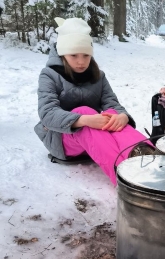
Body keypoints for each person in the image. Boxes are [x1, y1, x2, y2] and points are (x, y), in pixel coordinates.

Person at [34, 17, 154, 186]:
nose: (81, 61)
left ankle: (150, 160)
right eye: (74, 55)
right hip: (61, 139)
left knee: (112, 114)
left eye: (86, 55)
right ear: (62, 53)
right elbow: (47, 113)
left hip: (96, 137)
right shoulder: (49, 75)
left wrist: (123, 117)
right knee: (84, 111)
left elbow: (111, 102)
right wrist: (83, 119)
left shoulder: (98, 75)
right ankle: (127, 179)